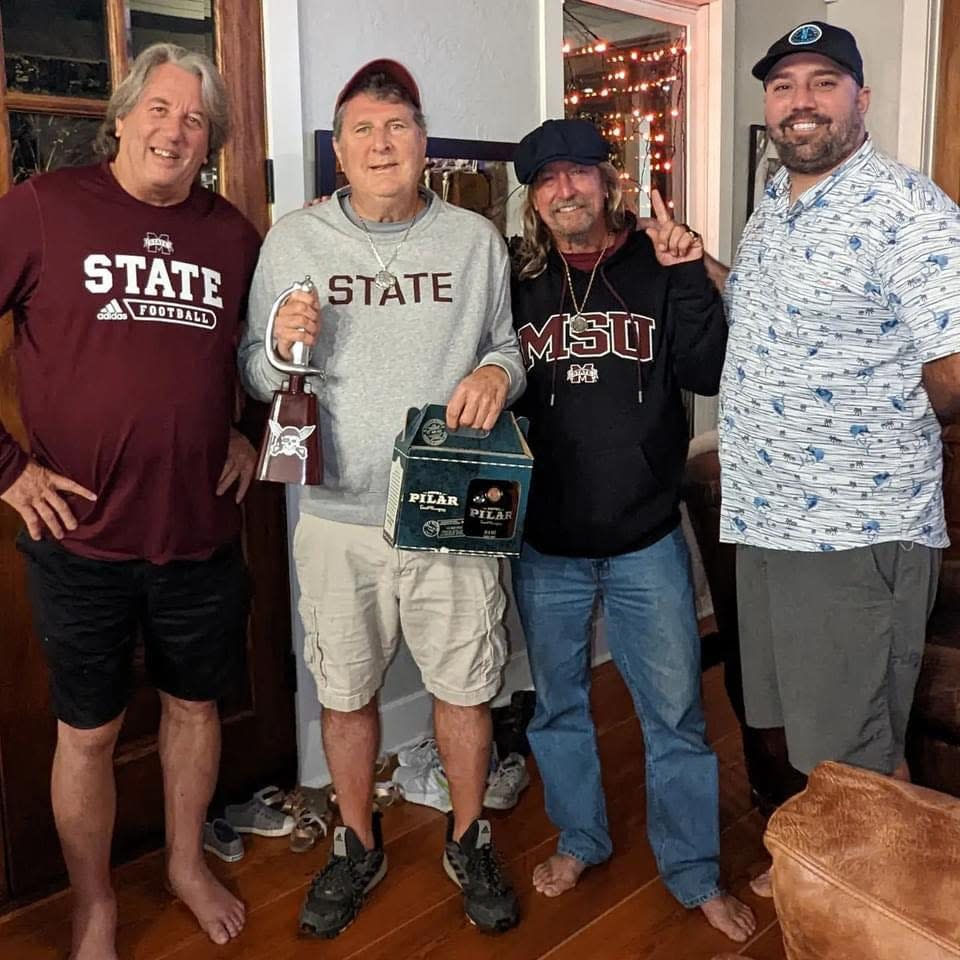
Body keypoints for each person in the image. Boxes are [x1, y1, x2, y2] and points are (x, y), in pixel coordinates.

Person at [239, 59, 526, 937]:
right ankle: (355, 843)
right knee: (345, 692)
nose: (380, 143)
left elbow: (511, 351)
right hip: (336, 516)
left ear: (423, 141)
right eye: (361, 129)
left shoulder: (474, 241)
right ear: (339, 149)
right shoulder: (292, 241)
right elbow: (254, 370)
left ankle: (468, 835)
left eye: (396, 126)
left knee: (466, 690)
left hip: (447, 510)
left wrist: (491, 372)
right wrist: (281, 349)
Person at [0, 43, 261, 960]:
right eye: (159, 108)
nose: (174, 129)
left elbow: (266, 357)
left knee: (194, 710)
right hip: (80, 543)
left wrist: (250, 430)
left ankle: (187, 865)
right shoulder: (40, 210)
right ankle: (95, 905)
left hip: (198, 534)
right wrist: (7, 470)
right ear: (120, 117)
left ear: (211, 142)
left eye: (195, 119)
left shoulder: (233, 236)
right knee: (90, 731)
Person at [716, 22, 960, 894]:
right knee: (808, 734)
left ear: (862, 98)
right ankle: (832, 879)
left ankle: (880, 914)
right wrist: (702, 264)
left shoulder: (910, 209)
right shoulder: (775, 205)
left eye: (824, 82)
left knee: (854, 752)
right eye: (784, 86)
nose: (802, 102)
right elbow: (766, 319)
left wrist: (882, 414)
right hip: (768, 514)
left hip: (852, 528)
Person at [507, 117, 756, 943]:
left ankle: (691, 871)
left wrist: (689, 273)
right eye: (547, 180)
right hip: (547, 542)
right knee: (559, 708)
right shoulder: (517, 278)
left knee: (675, 716)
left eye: (579, 172)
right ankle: (581, 838)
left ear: (608, 180)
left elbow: (709, 372)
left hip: (648, 535)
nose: (565, 190)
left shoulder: (659, 259)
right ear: (534, 197)